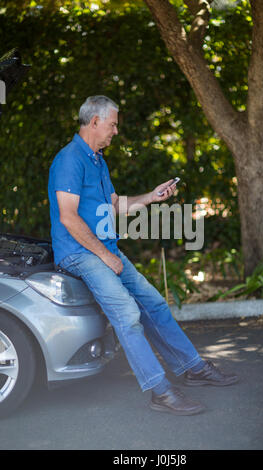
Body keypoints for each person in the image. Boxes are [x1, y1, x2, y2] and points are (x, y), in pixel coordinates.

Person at [48, 95, 238, 416]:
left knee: (154, 303)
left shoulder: (97, 160)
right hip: (79, 253)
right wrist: (106, 257)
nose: (116, 132)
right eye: (113, 125)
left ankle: (193, 367)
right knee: (127, 311)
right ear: (95, 122)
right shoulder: (69, 160)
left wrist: (152, 197)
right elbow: (68, 217)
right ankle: (160, 391)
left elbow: (116, 206)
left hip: (104, 249)